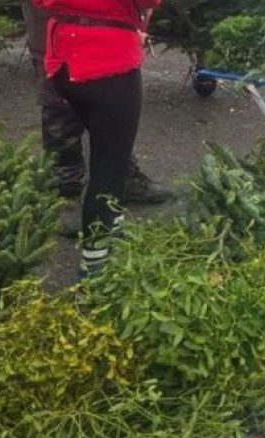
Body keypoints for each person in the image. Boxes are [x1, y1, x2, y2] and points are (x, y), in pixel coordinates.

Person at [31, 0, 166, 274]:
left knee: (108, 149)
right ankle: (94, 268)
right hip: (108, 63)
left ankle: (112, 233)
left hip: (64, 62)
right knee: (108, 173)